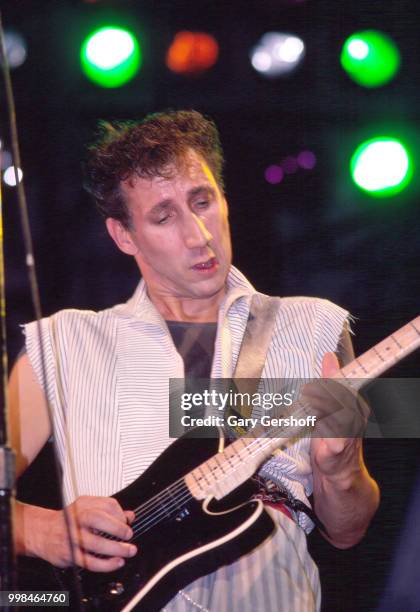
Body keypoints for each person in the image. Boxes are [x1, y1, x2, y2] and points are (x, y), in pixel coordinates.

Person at [9, 110, 379, 611]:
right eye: (164, 217)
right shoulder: (62, 343)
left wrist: (341, 470)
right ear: (123, 235)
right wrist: (37, 527)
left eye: (202, 202)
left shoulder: (314, 325)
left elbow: (347, 531)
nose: (197, 235)